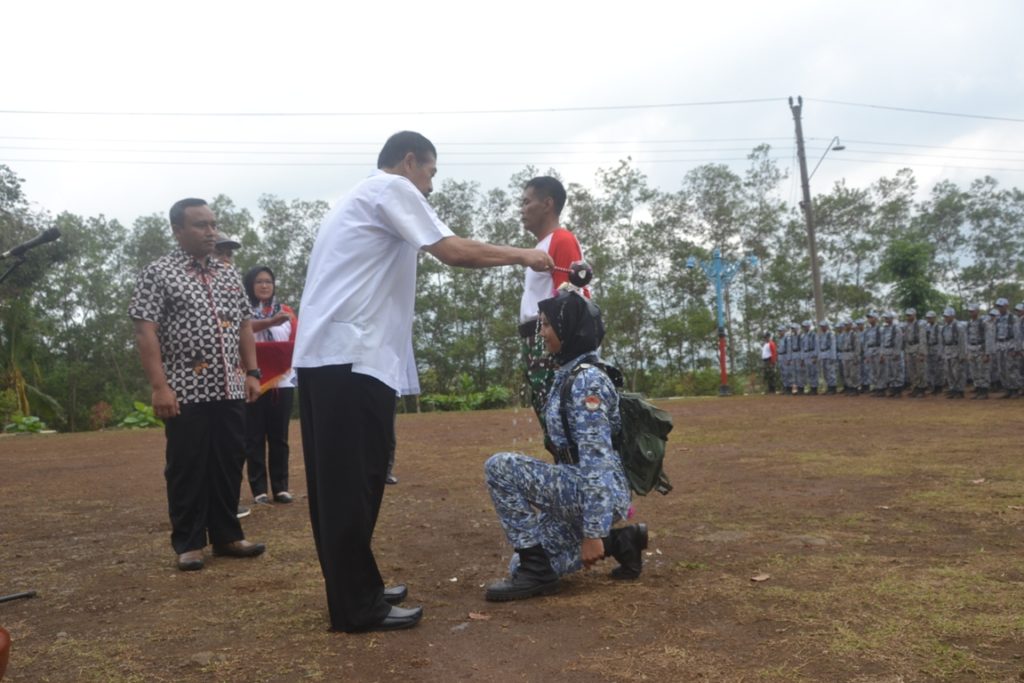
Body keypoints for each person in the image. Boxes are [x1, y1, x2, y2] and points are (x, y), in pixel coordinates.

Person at [292, 131, 554, 633]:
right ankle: (355, 605)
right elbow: (454, 251)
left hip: (338, 356)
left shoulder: (357, 196)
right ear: (409, 161)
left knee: (353, 479)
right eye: (431, 173)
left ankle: (356, 585)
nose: (430, 187)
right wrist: (523, 254)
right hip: (350, 356)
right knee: (351, 483)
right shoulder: (391, 189)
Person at [129, 198, 266, 572]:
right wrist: (160, 387)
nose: (211, 232)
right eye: (201, 225)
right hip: (184, 389)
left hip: (230, 386)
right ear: (177, 231)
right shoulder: (158, 273)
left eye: (213, 224)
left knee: (228, 459)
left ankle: (227, 535)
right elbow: (146, 331)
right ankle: (189, 542)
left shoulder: (227, 275)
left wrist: (252, 374)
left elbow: (243, 326)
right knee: (187, 464)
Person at [484, 288, 645, 601]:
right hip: (580, 488)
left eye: (546, 325)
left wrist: (593, 533)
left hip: (594, 492)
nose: (541, 333)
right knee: (520, 564)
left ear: (569, 329)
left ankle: (540, 570)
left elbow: (596, 460)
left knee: (500, 467)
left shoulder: (586, 381)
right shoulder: (570, 371)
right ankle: (623, 542)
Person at [517, 176, 587, 427]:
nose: (521, 209)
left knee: (559, 417)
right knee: (548, 415)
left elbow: (569, 298)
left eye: (526, 202)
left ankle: (572, 464)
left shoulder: (561, 240)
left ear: (547, 204)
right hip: (535, 339)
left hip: (549, 342)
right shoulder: (541, 246)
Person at [242, 266, 297, 505]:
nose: (264, 286)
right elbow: (240, 336)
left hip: (283, 382)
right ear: (250, 285)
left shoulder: (287, 312)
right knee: (253, 436)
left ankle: (281, 487)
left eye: (268, 281)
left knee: (279, 437)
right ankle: (259, 489)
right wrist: (271, 323)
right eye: (259, 282)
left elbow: (296, 342)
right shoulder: (242, 312)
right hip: (251, 381)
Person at [964, 303, 993, 400]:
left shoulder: (984, 322)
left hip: (981, 348)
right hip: (971, 348)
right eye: (969, 311)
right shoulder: (969, 323)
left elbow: (988, 338)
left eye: (972, 311)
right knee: (974, 371)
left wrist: (987, 353)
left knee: (983, 370)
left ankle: (984, 391)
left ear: (977, 311)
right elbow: (966, 338)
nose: (971, 313)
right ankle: (978, 389)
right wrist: (967, 351)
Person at [993, 297, 1019, 398]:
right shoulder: (997, 318)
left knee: (1011, 368)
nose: (1000, 308)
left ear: (1006, 306)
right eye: (998, 306)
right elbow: (995, 333)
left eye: (1001, 306)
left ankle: (1014, 389)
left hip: (1010, 344)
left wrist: (1016, 348)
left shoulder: (1013, 318)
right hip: (1000, 344)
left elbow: (1017, 334)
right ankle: (1007, 389)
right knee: (1001, 368)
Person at [939, 306, 966, 399]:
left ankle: (960, 390)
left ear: (952, 316)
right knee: (948, 371)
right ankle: (952, 389)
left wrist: (962, 354)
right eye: (945, 316)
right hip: (947, 350)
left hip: (956, 350)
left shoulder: (959, 327)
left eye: (947, 316)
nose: (945, 318)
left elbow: (962, 342)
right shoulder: (944, 328)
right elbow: (942, 341)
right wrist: (941, 353)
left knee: (957, 371)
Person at [903, 308, 928, 398]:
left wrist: (922, 352)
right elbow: (905, 340)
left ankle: (922, 389)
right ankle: (915, 388)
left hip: (917, 348)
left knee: (920, 370)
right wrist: (906, 353)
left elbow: (922, 339)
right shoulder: (906, 326)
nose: (908, 317)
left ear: (914, 315)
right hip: (909, 348)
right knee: (911, 370)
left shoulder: (920, 324)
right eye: (907, 315)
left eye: (910, 315)